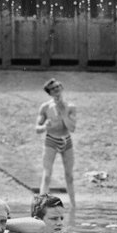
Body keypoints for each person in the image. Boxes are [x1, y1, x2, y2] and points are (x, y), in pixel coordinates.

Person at [35, 78, 77, 217]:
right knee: (47, 175)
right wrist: (45, 126)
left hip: (66, 139)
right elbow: (37, 128)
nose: (57, 89)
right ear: (50, 92)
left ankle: (73, 206)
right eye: (53, 89)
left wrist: (63, 112)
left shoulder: (70, 106)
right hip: (51, 140)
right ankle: (40, 206)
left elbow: (72, 127)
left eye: (58, 86)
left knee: (69, 175)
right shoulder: (45, 107)